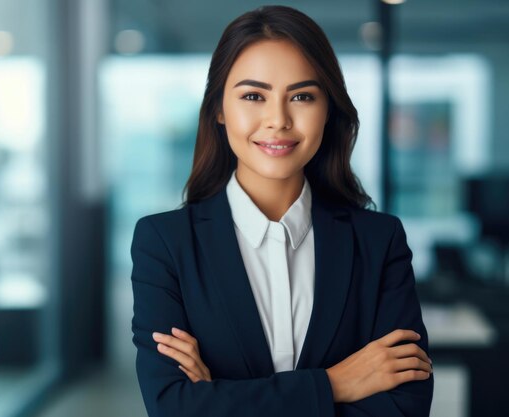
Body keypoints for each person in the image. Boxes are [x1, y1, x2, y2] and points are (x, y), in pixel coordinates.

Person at [130, 5, 433, 417]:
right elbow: (172, 408)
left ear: (328, 109)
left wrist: (220, 398)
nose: (278, 120)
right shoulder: (165, 244)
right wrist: (336, 384)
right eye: (253, 96)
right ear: (219, 108)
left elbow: (404, 406)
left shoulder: (378, 241)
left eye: (302, 96)